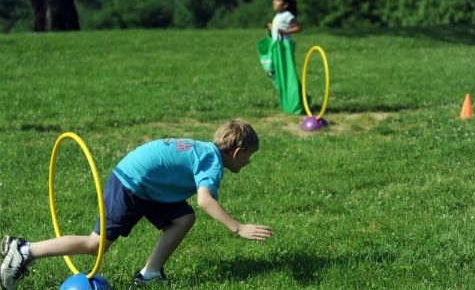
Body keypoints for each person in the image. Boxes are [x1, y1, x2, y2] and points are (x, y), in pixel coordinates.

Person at [0, 120, 273, 289]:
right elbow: (205, 199)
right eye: (249, 156)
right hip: (131, 184)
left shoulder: (203, 149)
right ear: (237, 153)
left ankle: (149, 274)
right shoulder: (212, 163)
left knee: (183, 218)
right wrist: (238, 228)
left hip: (149, 185)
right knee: (95, 245)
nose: (248, 162)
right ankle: (24, 250)